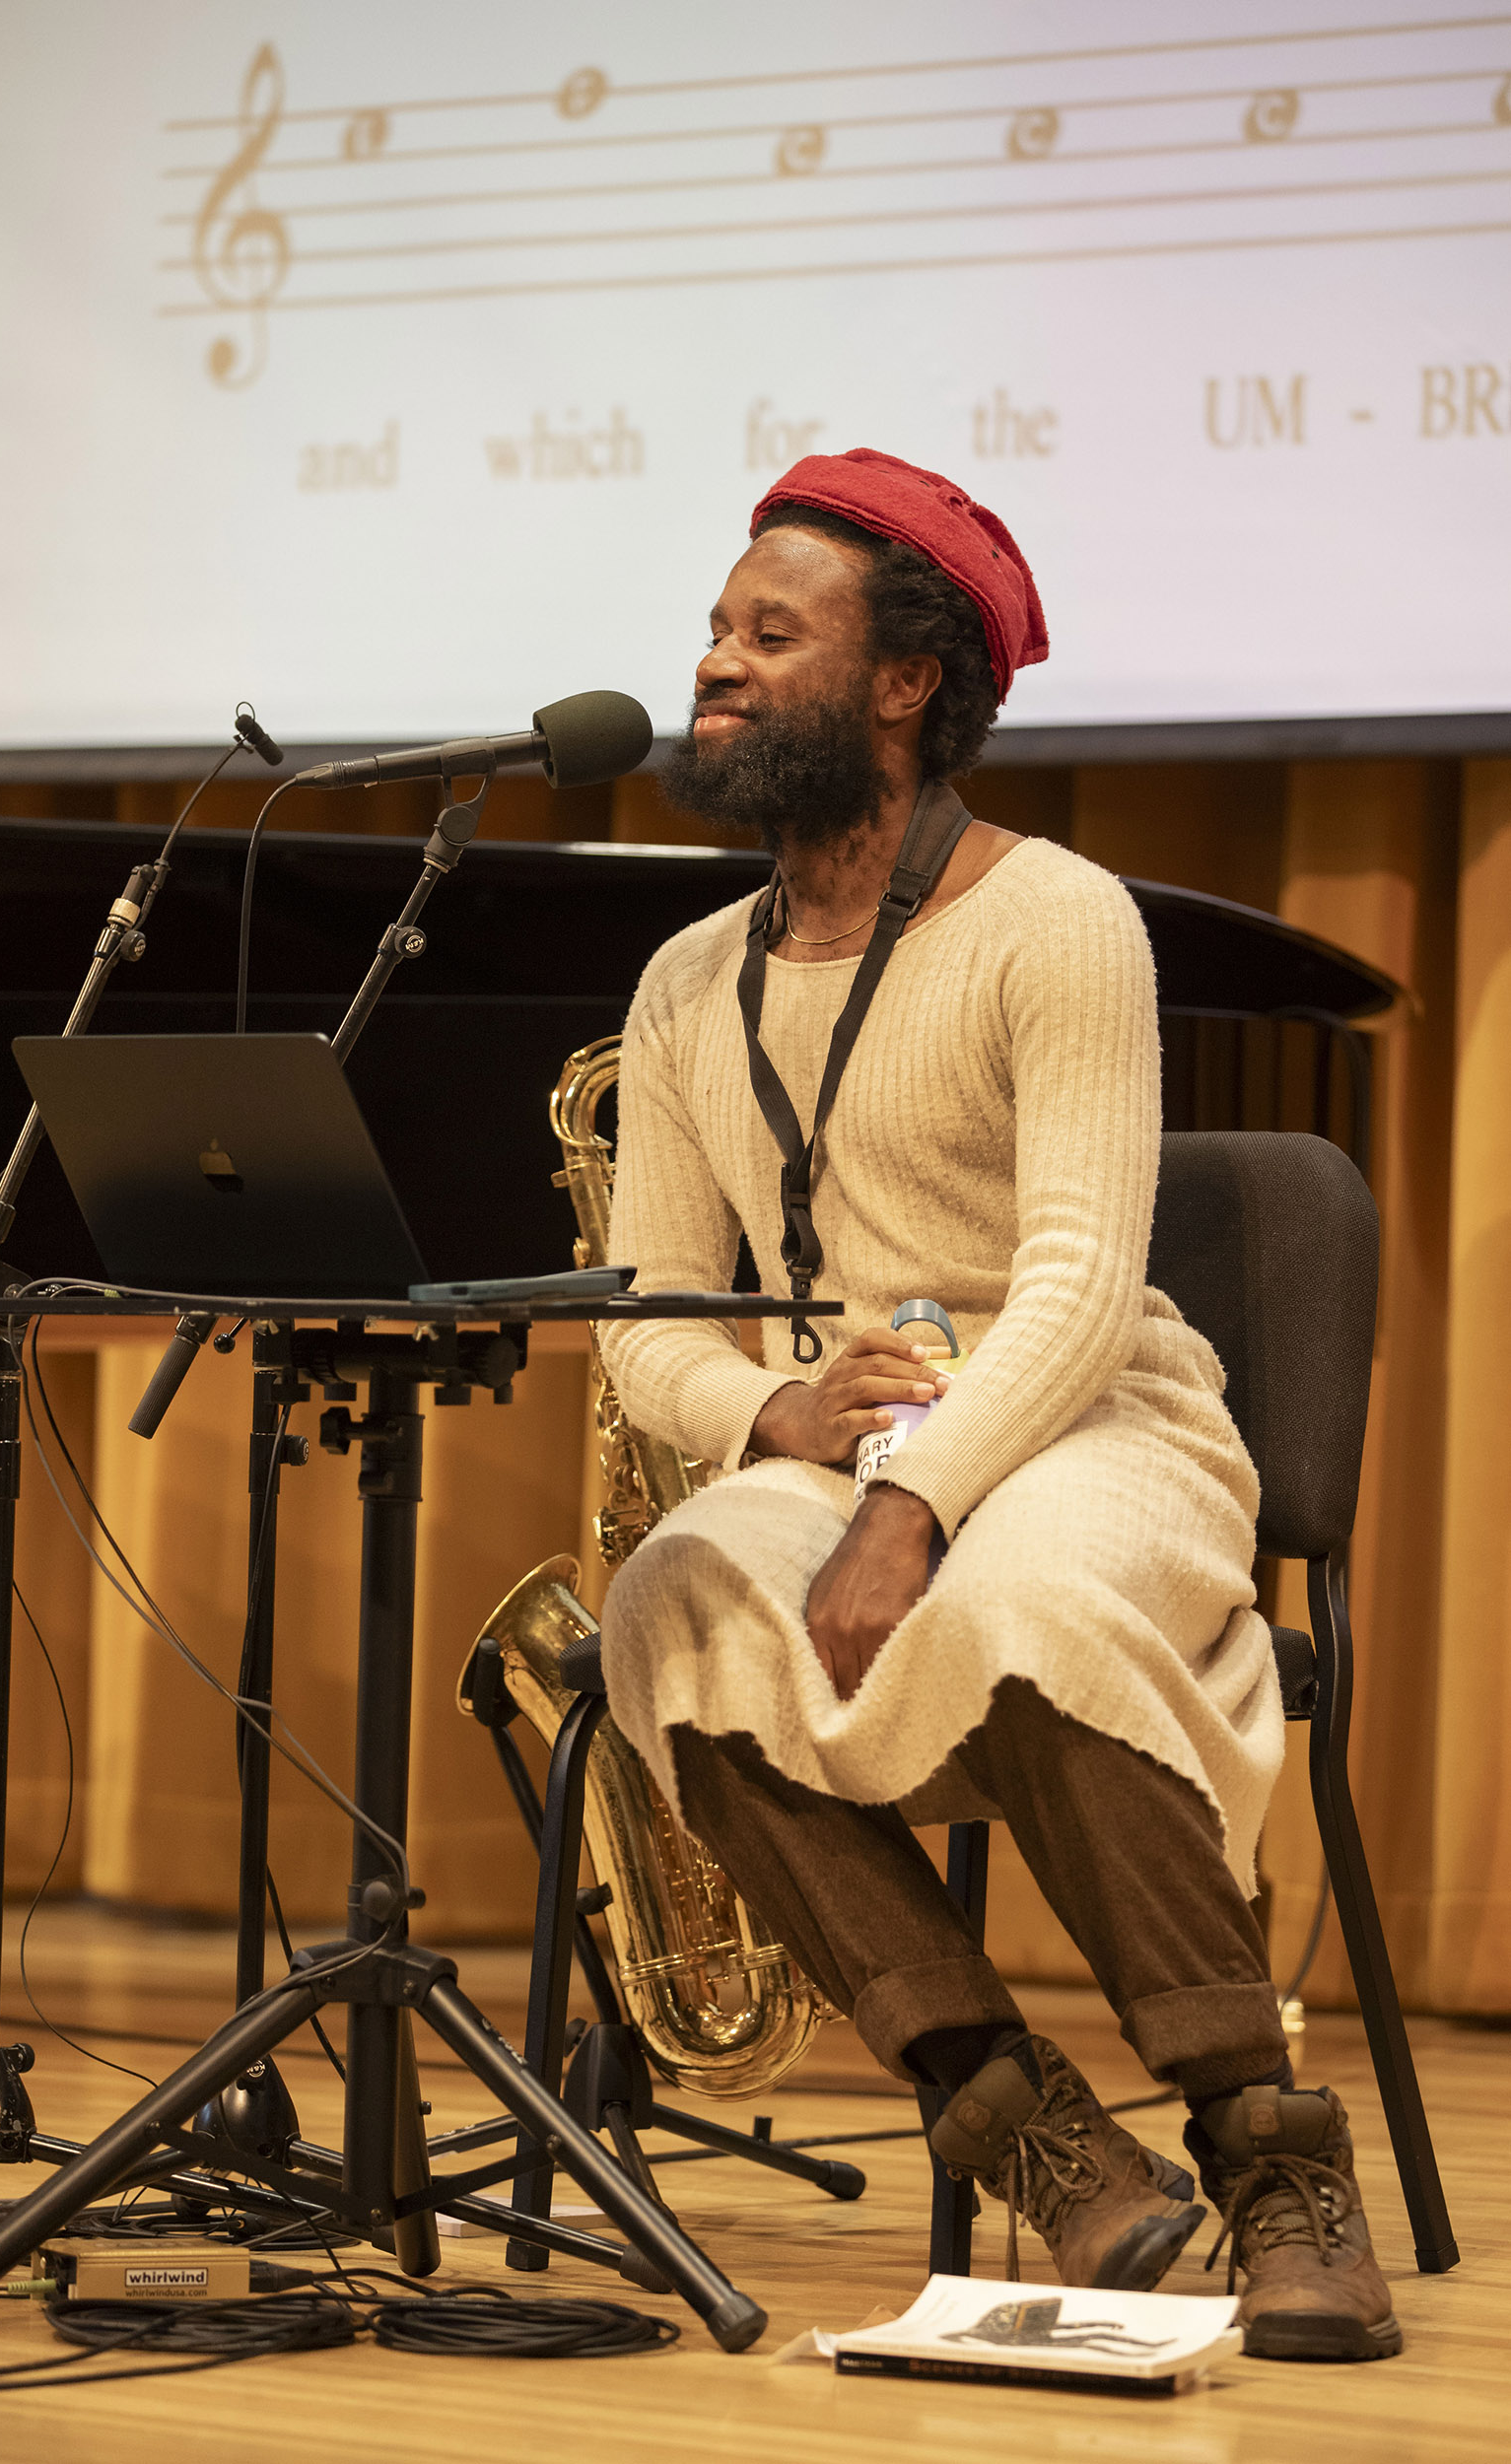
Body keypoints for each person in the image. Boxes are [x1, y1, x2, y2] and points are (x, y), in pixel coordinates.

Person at [595, 447, 1401, 2362]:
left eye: (768, 632)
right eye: (716, 626)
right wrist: (788, 1419)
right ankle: (1040, 2134)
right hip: (843, 1439)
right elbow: (643, 1321)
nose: (715, 662)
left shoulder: (1059, 919)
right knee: (674, 1608)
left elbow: (1079, 1282)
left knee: (1019, 1601)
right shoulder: (684, 980)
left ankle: (1269, 2149)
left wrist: (917, 1494)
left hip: (1098, 1417)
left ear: (901, 686)